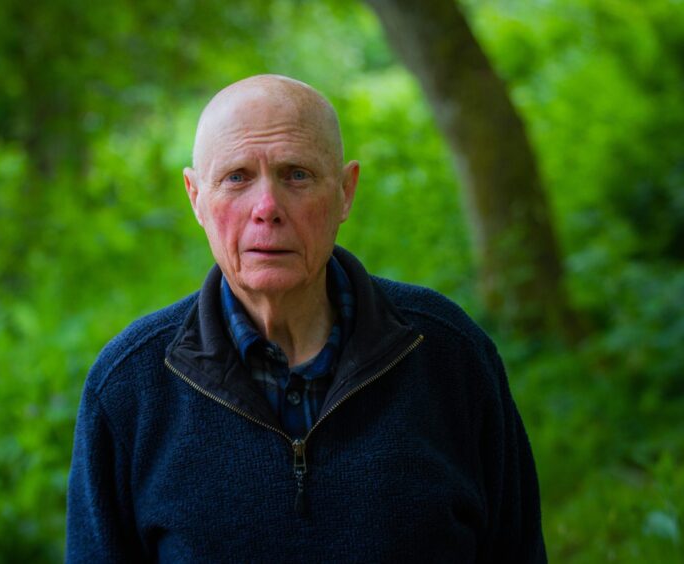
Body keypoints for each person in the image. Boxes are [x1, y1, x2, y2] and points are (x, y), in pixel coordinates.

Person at [66, 74, 546, 562]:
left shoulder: (448, 354)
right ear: (196, 198)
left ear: (345, 192)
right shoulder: (130, 386)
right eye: (236, 177)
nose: (267, 208)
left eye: (296, 174)